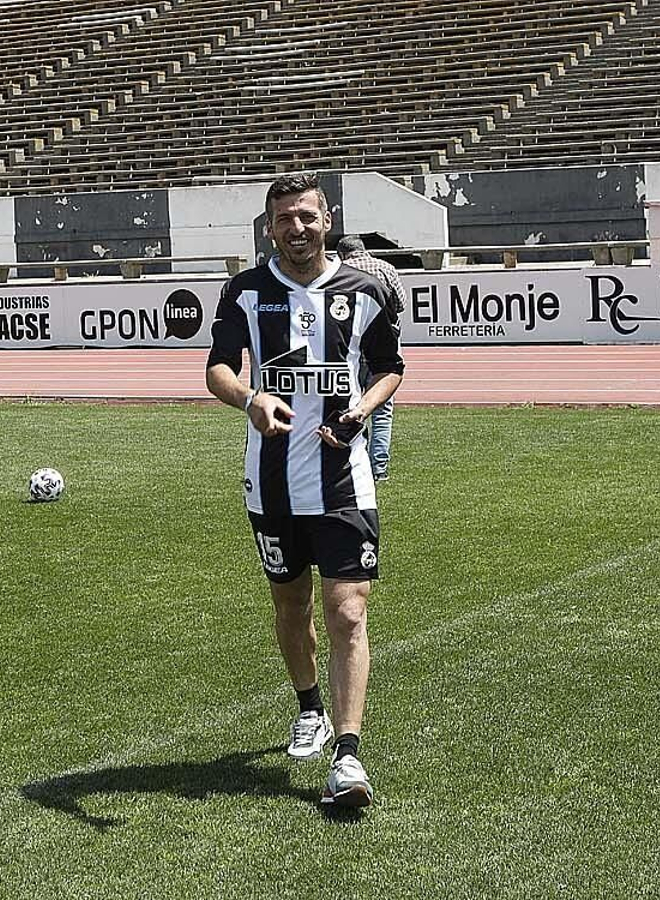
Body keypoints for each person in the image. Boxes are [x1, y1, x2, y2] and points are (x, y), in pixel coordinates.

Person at [205, 173, 404, 809]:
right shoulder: (245, 292)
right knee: (291, 607)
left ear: (327, 220)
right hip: (271, 482)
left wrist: (366, 406)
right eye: (284, 218)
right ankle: (309, 707)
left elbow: (390, 366)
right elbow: (216, 369)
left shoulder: (365, 288)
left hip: (345, 479)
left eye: (307, 216)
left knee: (348, 610)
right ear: (270, 227)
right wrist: (250, 397)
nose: (297, 227)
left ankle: (348, 756)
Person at [335, 235, 404, 481]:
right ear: (364, 250)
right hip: (384, 344)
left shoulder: (337, 272)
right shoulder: (386, 268)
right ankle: (380, 468)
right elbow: (400, 304)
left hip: (350, 348)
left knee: (352, 405)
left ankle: (358, 462)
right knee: (382, 410)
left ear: (341, 254)